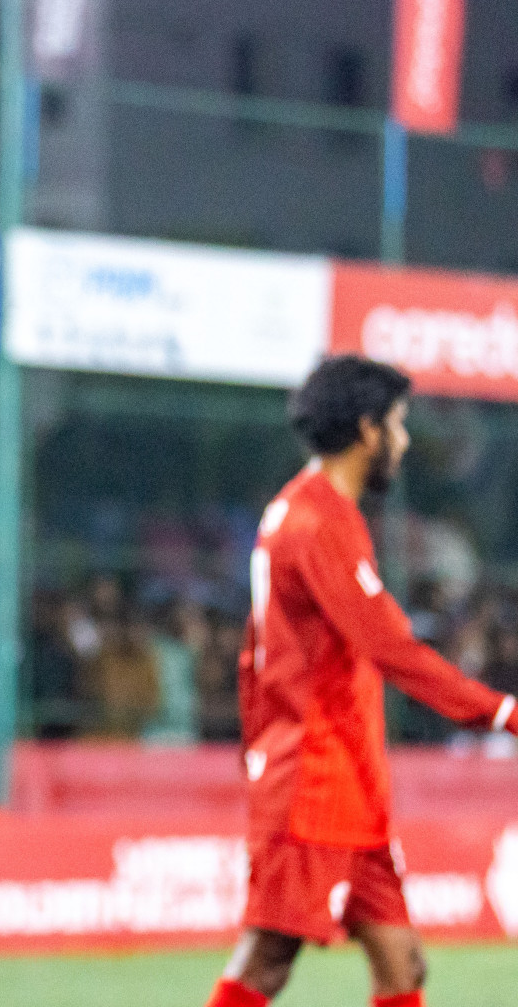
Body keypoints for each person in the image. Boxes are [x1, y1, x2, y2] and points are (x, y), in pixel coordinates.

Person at [203, 355, 518, 1007]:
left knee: (402, 965)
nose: (404, 441)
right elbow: (393, 649)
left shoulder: (307, 510)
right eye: (399, 425)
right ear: (368, 430)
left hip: (344, 780)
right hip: (312, 783)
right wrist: (503, 712)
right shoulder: (317, 525)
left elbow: (259, 660)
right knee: (266, 959)